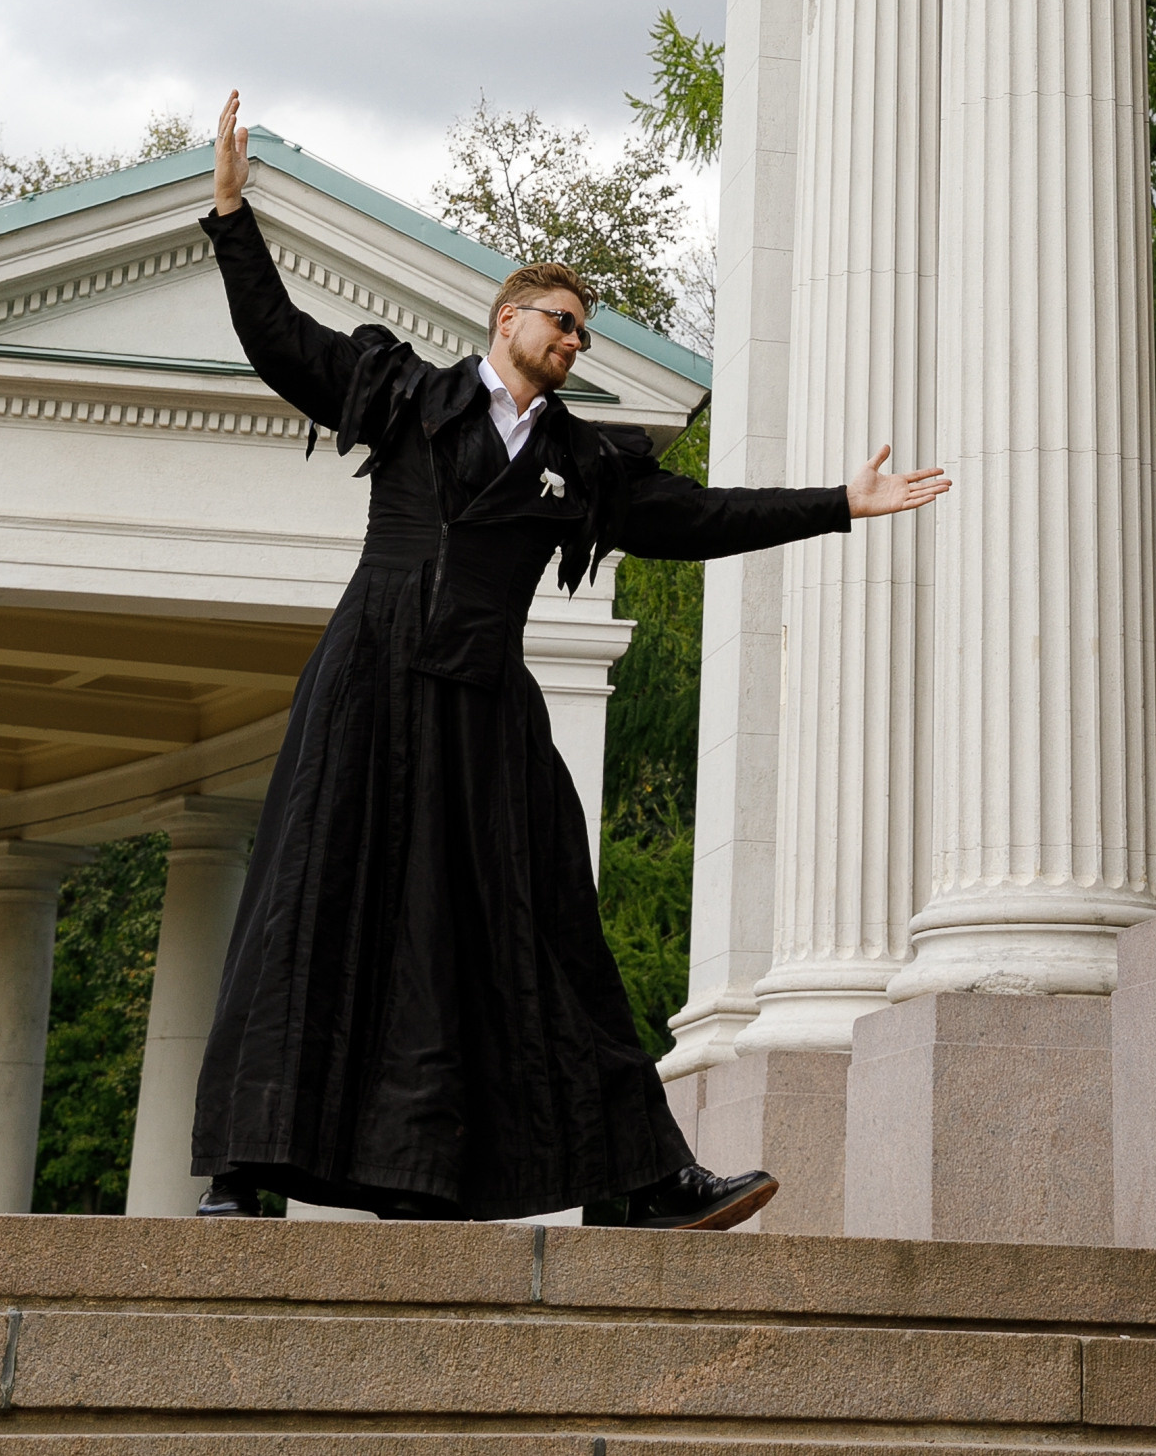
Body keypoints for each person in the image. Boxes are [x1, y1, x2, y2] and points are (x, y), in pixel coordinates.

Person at [189, 92, 950, 1229]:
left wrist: (840, 500)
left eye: (584, 330)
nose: (574, 338)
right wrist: (233, 218)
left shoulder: (579, 461)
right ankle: (243, 1175)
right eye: (560, 318)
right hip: (370, 686)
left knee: (546, 927)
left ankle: (636, 1181)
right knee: (312, 901)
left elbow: (698, 515)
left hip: (487, 705)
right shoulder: (404, 392)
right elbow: (279, 338)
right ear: (505, 318)